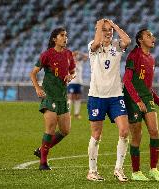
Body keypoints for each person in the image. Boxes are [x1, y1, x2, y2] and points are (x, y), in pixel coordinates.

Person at [86, 18, 131, 182]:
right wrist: (100, 26)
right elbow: (97, 43)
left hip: (115, 96)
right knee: (96, 135)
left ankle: (118, 168)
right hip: (97, 96)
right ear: (98, 30)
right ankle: (92, 171)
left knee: (125, 131)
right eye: (104, 30)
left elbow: (127, 40)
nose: (108, 32)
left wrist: (114, 25)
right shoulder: (93, 46)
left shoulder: (117, 47)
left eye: (109, 30)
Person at [123, 29, 159, 181]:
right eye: (148, 35)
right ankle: (136, 172)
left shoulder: (151, 59)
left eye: (152, 35)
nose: (153, 37)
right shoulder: (133, 56)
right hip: (132, 99)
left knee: (154, 131)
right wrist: (137, 100)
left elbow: (147, 86)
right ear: (140, 40)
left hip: (147, 98)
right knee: (137, 136)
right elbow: (127, 81)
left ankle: (153, 169)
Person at [30, 27, 76, 170]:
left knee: (65, 130)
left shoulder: (69, 54)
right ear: (54, 39)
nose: (65, 38)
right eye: (62, 35)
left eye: (66, 35)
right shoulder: (47, 55)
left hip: (62, 97)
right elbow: (33, 73)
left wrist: (70, 76)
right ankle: (43, 162)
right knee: (50, 128)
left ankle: (41, 149)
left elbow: (73, 71)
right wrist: (38, 88)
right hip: (49, 96)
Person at [67, 51, 88, 119]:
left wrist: (80, 53)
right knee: (70, 97)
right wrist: (74, 53)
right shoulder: (69, 62)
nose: (75, 58)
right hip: (72, 82)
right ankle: (68, 114)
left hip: (79, 82)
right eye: (74, 57)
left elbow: (86, 57)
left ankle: (76, 114)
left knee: (78, 97)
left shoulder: (80, 63)